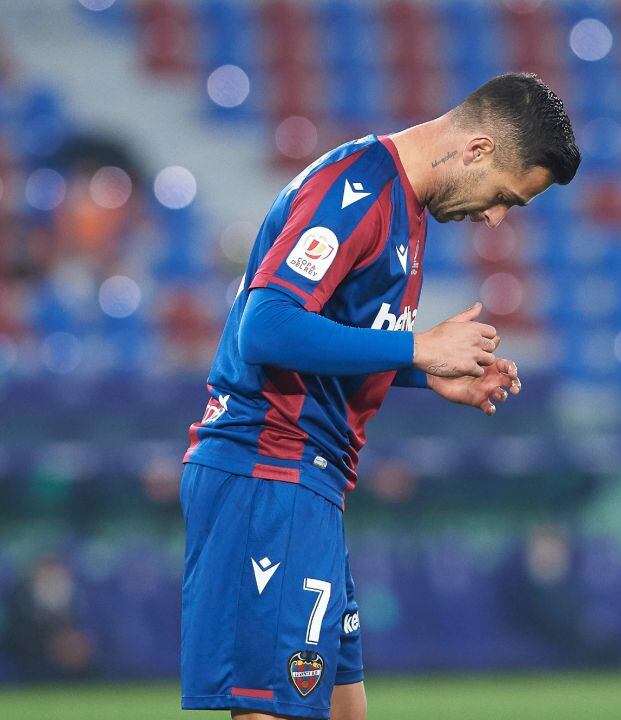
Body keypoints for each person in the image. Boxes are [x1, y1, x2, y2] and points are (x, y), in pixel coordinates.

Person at [179, 73, 579, 720]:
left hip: (312, 483)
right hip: (267, 471)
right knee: (272, 709)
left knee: (343, 710)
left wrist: (426, 373)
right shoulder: (358, 189)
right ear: (477, 149)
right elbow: (267, 327)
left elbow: (327, 339)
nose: (496, 217)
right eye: (506, 196)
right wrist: (416, 349)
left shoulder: (404, 210)